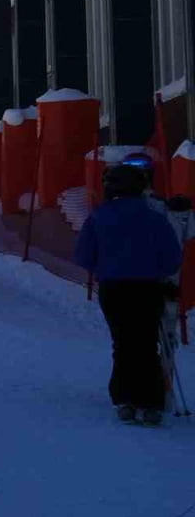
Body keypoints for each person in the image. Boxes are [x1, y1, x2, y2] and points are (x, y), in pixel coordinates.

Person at [74, 164, 182, 426]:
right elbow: (172, 259)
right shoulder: (155, 218)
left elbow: (83, 256)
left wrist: (105, 266)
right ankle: (152, 401)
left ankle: (125, 399)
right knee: (146, 342)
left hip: (113, 289)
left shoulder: (98, 218)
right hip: (147, 288)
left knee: (122, 342)